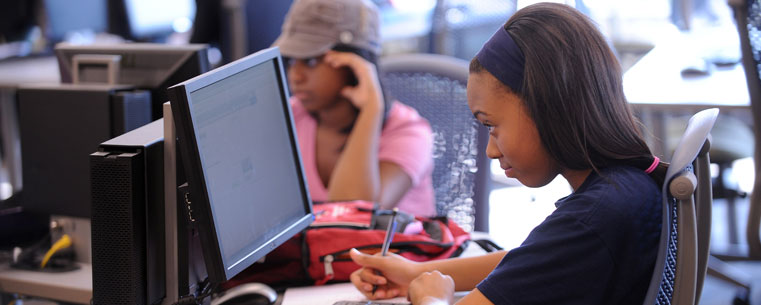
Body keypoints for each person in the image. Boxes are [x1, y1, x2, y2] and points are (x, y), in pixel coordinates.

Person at [348, 3, 669, 304]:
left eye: (492, 125)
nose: (489, 150)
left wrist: (432, 297)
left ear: (548, 108)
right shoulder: (624, 190)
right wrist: (416, 273)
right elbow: (536, 259)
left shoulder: (590, 223)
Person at [272, 0, 436, 216]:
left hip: (392, 250)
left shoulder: (409, 132)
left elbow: (354, 215)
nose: (296, 76)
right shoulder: (289, 117)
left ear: (355, 62)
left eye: (311, 61)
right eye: (292, 61)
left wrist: (371, 109)